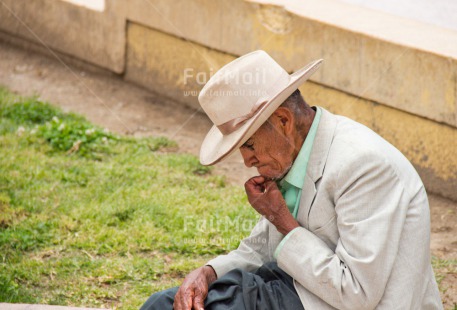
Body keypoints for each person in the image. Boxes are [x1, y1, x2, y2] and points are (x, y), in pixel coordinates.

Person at [140, 50, 443, 309]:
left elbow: (358, 294)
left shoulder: (363, 165)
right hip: (302, 289)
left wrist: (281, 218)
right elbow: (263, 247)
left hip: (344, 303)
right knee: (164, 305)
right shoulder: (294, 154)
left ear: (283, 121)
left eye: (249, 145)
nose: (247, 161)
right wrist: (208, 272)